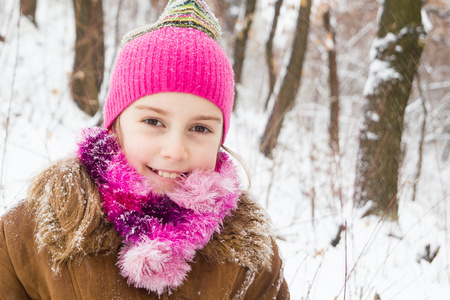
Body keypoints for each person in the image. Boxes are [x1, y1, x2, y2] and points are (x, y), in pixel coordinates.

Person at [0, 0, 290, 298]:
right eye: (153, 121)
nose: (175, 150)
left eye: (200, 128)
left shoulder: (251, 258)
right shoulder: (32, 231)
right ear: (115, 124)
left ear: (220, 139)